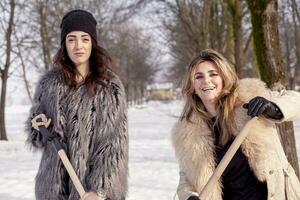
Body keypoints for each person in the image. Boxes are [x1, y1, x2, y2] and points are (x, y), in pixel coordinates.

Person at [25, 9, 128, 200]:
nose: (78, 45)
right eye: (71, 39)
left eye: (84, 39)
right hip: (52, 191)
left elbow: (113, 147)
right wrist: (38, 125)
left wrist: (100, 191)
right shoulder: (48, 84)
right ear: (64, 44)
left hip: (90, 193)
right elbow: (36, 136)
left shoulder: (109, 87)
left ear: (93, 43)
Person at [171, 49, 300, 200]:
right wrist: (189, 196)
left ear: (224, 77)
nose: (206, 81)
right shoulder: (187, 133)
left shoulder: (249, 100)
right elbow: (186, 177)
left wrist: (273, 107)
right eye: (198, 77)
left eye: (213, 74)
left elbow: (296, 100)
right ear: (192, 86)